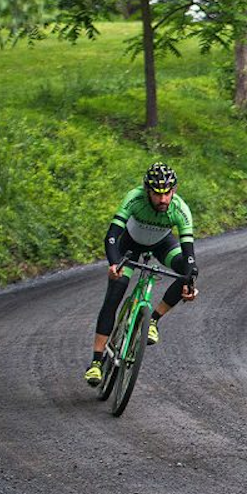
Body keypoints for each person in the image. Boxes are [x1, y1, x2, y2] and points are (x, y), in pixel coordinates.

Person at [83, 162, 199, 386]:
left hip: (161, 244)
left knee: (189, 271)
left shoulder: (180, 209)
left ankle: (153, 320)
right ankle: (96, 363)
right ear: (147, 190)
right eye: (157, 194)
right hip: (130, 246)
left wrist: (190, 282)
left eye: (167, 193)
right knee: (115, 292)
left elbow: (190, 255)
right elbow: (112, 235)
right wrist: (114, 263)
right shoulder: (134, 198)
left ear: (174, 190)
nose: (163, 200)